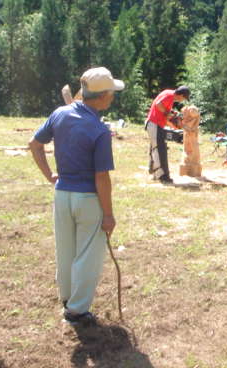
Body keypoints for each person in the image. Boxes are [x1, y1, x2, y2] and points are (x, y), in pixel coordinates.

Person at [28, 67, 124, 325]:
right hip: (88, 200)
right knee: (88, 255)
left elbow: (35, 144)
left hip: (62, 195)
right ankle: (77, 310)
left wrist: (50, 175)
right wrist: (108, 215)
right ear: (102, 97)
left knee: (66, 250)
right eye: (111, 93)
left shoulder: (59, 114)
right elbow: (101, 177)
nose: (113, 97)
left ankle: (67, 298)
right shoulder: (99, 130)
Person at [145, 86, 190, 184]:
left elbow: (164, 114)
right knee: (160, 150)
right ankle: (163, 176)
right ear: (181, 95)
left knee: (155, 148)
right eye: (184, 98)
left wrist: (173, 122)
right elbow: (158, 104)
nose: (182, 100)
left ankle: (153, 171)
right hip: (154, 124)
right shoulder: (170, 95)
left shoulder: (168, 93)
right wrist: (168, 113)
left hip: (155, 124)